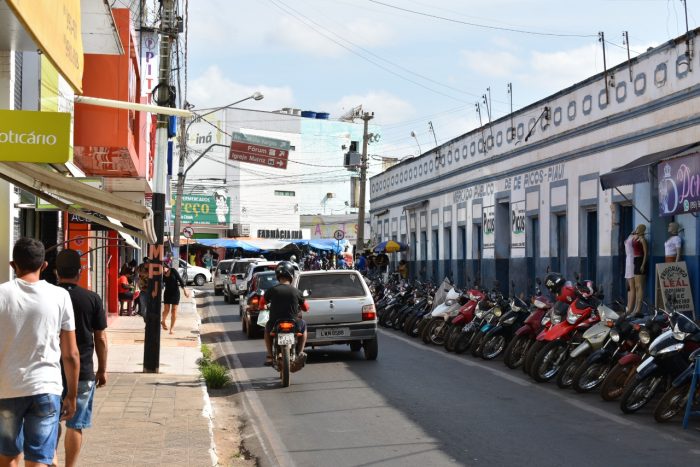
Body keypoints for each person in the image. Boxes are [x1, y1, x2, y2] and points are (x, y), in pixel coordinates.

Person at [0, 237, 80, 467]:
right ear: (44, 266)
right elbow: (71, 354)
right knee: (39, 459)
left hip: (7, 388)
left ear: (13, 264)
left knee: (7, 457)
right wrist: (72, 395)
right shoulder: (60, 296)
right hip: (46, 388)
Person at [53, 249, 108, 467]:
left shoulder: (50, 296)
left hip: (51, 370)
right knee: (75, 425)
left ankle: (51, 458)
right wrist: (102, 369)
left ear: (57, 272)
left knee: (50, 419)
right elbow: (101, 338)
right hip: (83, 370)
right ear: (80, 271)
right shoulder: (92, 299)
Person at [260, 261, 309, 367]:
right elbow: (306, 307)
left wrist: (262, 307)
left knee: (266, 330)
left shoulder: (272, 290)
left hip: (274, 323)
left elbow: (262, 302)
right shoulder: (296, 291)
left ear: (277, 275)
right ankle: (300, 352)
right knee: (304, 326)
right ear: (291, 275)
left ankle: (269, 355)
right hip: (294, 323)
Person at [161, 261, 189, 334]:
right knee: (166, 310)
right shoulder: (161, 275)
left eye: (162, 268)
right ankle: (163, 321)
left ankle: (171, 329)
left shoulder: (173, 270)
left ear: (165, 267)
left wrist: (185, 290)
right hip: (167, 293)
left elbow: (180, 279)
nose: (162, 270)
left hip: (175, 293)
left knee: (174, 310)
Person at [627, 225, 648, 315]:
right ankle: (636, 307)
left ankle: (638, 309)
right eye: (637, 228)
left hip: (640, 260)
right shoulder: (636, 239)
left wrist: (643, 265)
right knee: (636, 286)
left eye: (639, 228)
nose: (637, 229)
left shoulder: (643, 240)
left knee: (639, 286)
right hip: (635, 261)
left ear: (643, 230)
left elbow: (646, 253)